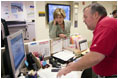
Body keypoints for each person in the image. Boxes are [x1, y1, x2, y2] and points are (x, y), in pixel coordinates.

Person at [57, 3, 117, 78]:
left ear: (96, 15)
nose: (83, 20)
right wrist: (77, 63)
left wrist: (70, 68)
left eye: (85, 17)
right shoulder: (106, 24)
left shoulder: (106, 25)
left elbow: (95, 56)